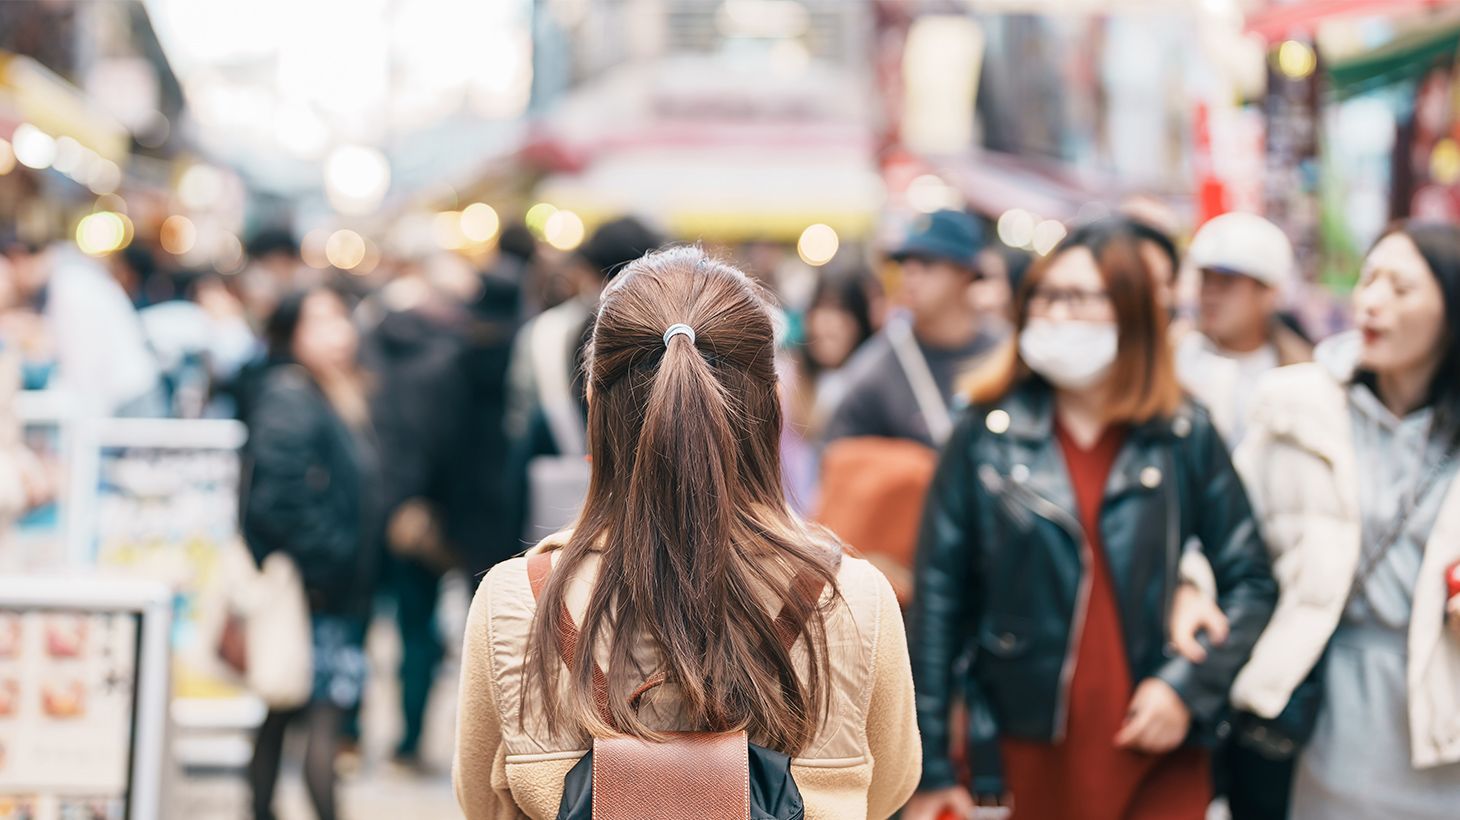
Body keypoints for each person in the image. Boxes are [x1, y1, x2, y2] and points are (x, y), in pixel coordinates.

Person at [453, 247, 921, 819]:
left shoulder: (517, 596)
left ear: (594, 406)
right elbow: (891, 786)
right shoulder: (853, 596)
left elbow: (481, 802)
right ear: (772, 406)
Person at [903, 219, 1277, 820]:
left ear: (1130, 311)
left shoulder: (1183, 432)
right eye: (1044, 296)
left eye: (1078, 298)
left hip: (1157, 740)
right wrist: (930, 767)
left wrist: (1186, 687)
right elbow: (937, 604)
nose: (1054, 314)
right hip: (1024, 741)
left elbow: (1251, 580)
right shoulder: (983, 432)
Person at [1214, 222, 1460, 819]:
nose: (1372, 301)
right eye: (1369, 278)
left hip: (1440, 704)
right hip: (1316, 698)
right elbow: (1222, 530)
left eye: (1401, 288)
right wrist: (1195, 588)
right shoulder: (1297, 405)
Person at [243, 286, 383, 820]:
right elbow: (278, 497)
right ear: (291, 332)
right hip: (316, 590)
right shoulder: (291, 393)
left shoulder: (331, 390)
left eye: (339, 318)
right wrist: (330, 560)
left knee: (284, 716)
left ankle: (259, 809)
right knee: (317, 718)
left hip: (331, 586)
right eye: (318, 321)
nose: (338, 333)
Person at [503, 216, 662, 549]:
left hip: (567, 517)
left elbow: (519, 419)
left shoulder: (544, 333)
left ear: (590, 270)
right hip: (665, 509)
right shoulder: (679, 332)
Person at [823, 209, 1002, 449]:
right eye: (904, 262)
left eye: (927, 262)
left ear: (965, 272)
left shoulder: (1006, 354)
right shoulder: (875, 370)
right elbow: (837, 463)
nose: (910, 274)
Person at [1178, 212, 1314, 445]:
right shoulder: (1176, 357)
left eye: (1226, 281)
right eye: (1205, 278)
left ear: (1269, 292)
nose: (1210, 293)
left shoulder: (1302, 374)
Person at [782, 265, 879, 512]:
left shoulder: (872, 386)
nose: (828, 323)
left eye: (841, 310)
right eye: (821, 308)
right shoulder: (785, 382)